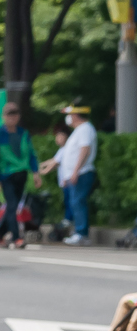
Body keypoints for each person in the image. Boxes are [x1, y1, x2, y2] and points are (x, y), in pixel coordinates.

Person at [45, 102, 99, 244]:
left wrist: (75, 171)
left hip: (81, 173)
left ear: (75, 115)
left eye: (70, 114)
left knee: (78, 202)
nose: (68, 118)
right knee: (75, 203)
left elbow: (84, 150)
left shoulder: (85, 129)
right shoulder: (80, 130)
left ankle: (81, 234)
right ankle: (79, 232)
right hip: (75, 174)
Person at [0, 100, 37, 246]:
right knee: (12, 205)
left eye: (15, 114)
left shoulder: (23, 133)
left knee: (13, 207)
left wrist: (35, 172)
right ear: (4, 116)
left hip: (22, 174)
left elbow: (31, 154)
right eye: (9, 115)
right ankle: (16, 238)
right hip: (6, 175)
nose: (12, 118)